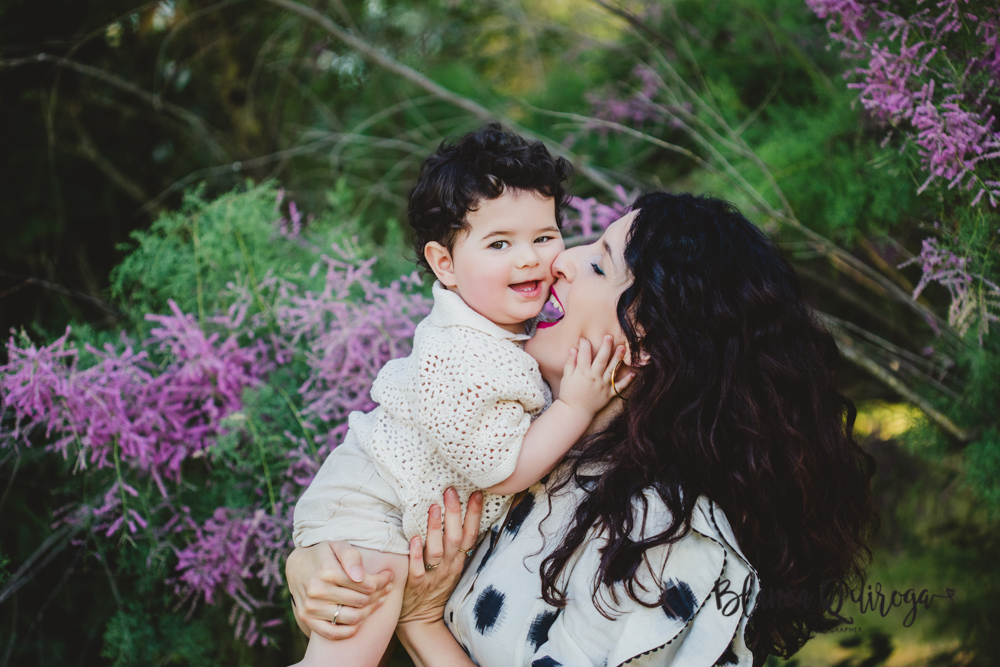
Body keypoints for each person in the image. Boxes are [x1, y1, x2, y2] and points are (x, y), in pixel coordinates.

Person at [286, 192, 878, 666]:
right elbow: (383, 502)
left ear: (644, 339)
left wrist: (421, 623)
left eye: (598, 263)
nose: (559, 259)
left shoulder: (666, 542)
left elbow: (430, 604)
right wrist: (317, 570)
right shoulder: (538, 440)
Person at [289, 124, 628, 666]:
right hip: (372, 503)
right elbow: (501, 470)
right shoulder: (461, 352)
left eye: (544, 237)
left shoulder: (501, 330)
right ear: (444, 263)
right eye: (499, 244)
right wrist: (574, 407)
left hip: (389, 502)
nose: (532, 260)